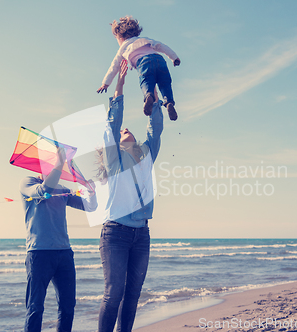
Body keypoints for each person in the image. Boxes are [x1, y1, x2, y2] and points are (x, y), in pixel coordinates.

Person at [97, 60, 163, 332]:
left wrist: (153, 93)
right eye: (123, 131)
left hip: (142, 234)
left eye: (128, 130)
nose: (125, 130)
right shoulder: (113, 160)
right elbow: (113, 125)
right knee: (114, 294)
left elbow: (155, 128)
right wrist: (120, 85)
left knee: (133, 295)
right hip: (116, 232)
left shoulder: (147, 154)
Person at [19, 147, 97, 332]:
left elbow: (90, 207)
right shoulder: (28, 182)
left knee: (68, 306)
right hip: (39, 254)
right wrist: (60, 162)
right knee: (35, 307)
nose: (51, 165)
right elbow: (44, 190)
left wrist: (92, 193)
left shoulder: (62, 190)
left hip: (64, 254)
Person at [96, 15, 181, 121]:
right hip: (160, 60)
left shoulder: (123, 47)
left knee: (146, 80)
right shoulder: (145, 39)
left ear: (121, 38)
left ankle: (148, 96)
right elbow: (161, 46)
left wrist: (105, 83)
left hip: (143, 62)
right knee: (165, 83)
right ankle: (169, 102)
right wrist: (174, 58)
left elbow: (114, 66)